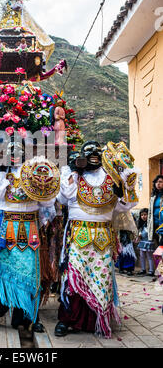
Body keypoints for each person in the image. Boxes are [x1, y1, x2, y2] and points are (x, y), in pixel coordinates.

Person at [55, 141, 139, 339]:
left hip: (103, 237)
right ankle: (67, 319)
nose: (93, 157)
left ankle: (96, 320)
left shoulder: (112, 177)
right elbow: (63, 198)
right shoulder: (74, 175)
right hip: (78, 236)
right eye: (88, 154)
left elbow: (127, 204)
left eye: (96, 154)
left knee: (101, 278)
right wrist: (73, 171)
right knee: (73, 279)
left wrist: (125, 187)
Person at [0, 139, 58, 333]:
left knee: (30, 271)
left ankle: (29, 315)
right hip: (6, 226)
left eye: (17, 151)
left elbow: (48, 201)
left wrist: (41, 184)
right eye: (10, 152)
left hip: (30, 227)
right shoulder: (0, 174)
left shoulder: (36, 171)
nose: (14, 155)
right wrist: (3, 172)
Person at [137, 208, 155, 276]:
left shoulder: (150, 224)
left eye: (145, 215)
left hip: (148, 242)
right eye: (142, 215)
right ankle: (143, 269)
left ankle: (151, 270)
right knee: (142, 256)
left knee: (149, 256)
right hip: (142, 241)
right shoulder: (141, 224)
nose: (143, 216)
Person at [147, 175, 163, 249]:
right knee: (158, 249)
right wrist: (149, 226)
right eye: (156, 182)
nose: (158, 184)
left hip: (162, 226)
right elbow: (150, 213)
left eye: (160, 182)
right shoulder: (153, 196)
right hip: (154, 226)